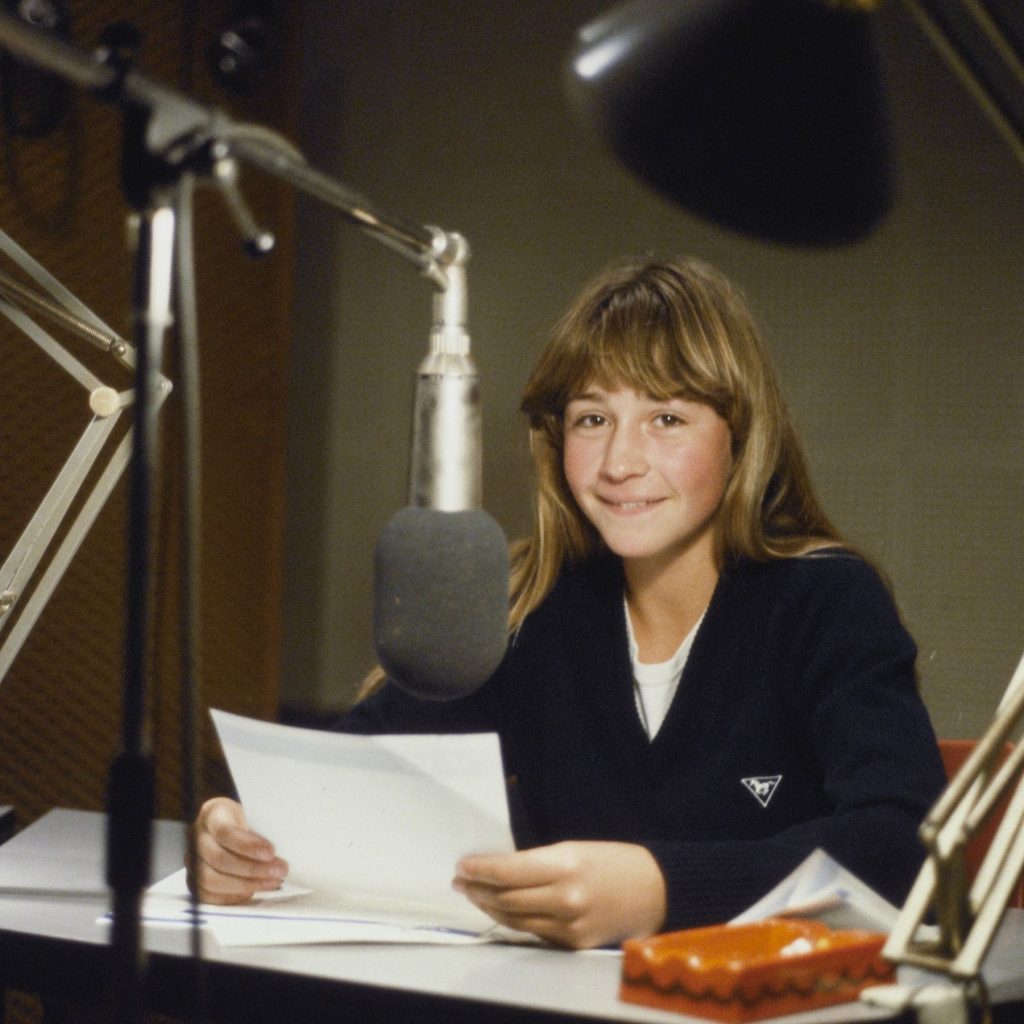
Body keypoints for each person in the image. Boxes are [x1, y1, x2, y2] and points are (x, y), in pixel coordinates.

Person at [190, 255, 946, 950]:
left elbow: (903, 843)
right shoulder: (537, 608)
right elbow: (350, 775)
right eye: (592, 419)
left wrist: (661, 890)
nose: (620, 462)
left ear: (740, 439)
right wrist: (240, 832)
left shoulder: (826, 599)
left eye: (667, 418)